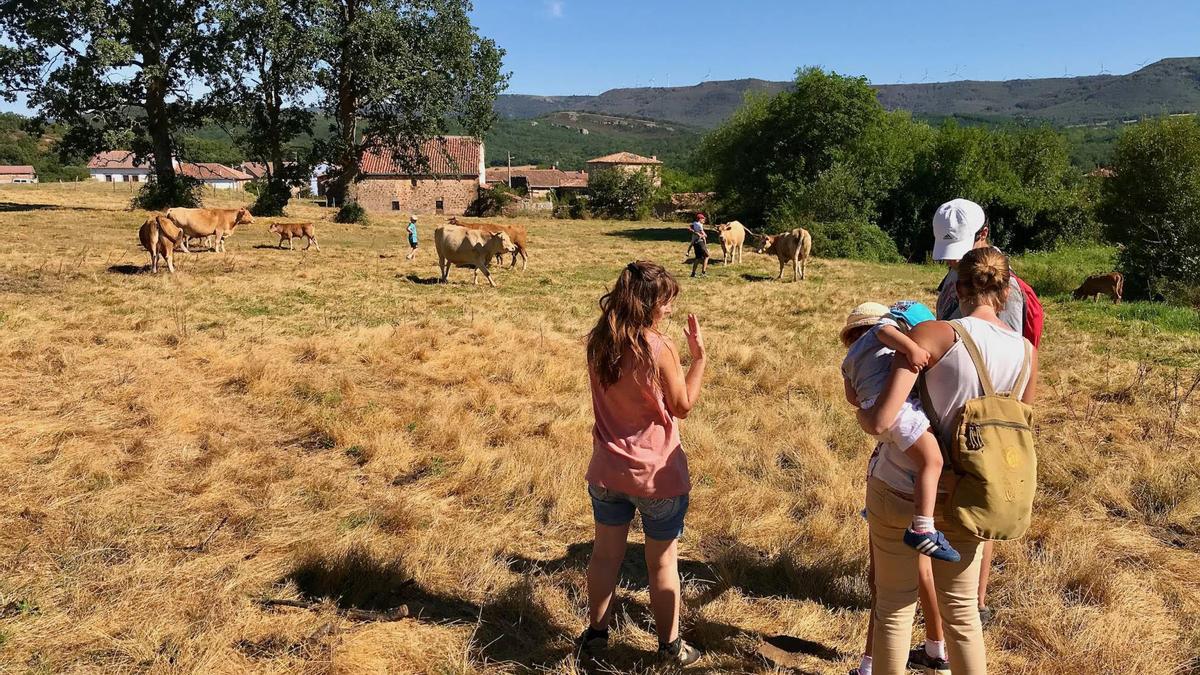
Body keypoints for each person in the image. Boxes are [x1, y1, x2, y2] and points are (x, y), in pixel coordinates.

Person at [857, 247, 1038, 675]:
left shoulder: (934, 335)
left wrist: (860, 410)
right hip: (972, 491)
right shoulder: (1027, 352)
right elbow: (1022, 425)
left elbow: (882, 419)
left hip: (901, 485)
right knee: (963, 616)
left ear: (957, 290)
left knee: (894, 606)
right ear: (1008, 291)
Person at [578, 260, 707, 667]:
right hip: (656, 476)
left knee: (604, 556)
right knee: (662, 562)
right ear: (649, 302)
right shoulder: (659, 347)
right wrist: (699, 359)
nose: (669, 309)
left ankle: (596, 634)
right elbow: (682, 406)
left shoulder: (599, 340)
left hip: (606, 470)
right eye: (666, 302)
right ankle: (671, 647)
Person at [841, 301, 959, 562]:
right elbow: (887, 333)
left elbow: (852, 398)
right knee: (932, 460)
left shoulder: (847, 360)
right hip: (898, 409)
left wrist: (868, 401)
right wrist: (913, 349)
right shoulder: (881, 330)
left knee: (899, 457)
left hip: (874, 410)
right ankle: (923, 527)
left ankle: (878, 508)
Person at [689, 213, 710, 277]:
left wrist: (695, 232)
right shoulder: (699, 225)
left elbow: (689, 228)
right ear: (700, 219)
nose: (704, 220)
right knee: (707, 256)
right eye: (703, 219)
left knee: (698, 258)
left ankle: (693, 273)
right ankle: (703, 273)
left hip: (695, 243)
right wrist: (704, 235)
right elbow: (703, 234)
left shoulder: (694, 223)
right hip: (700, 242)